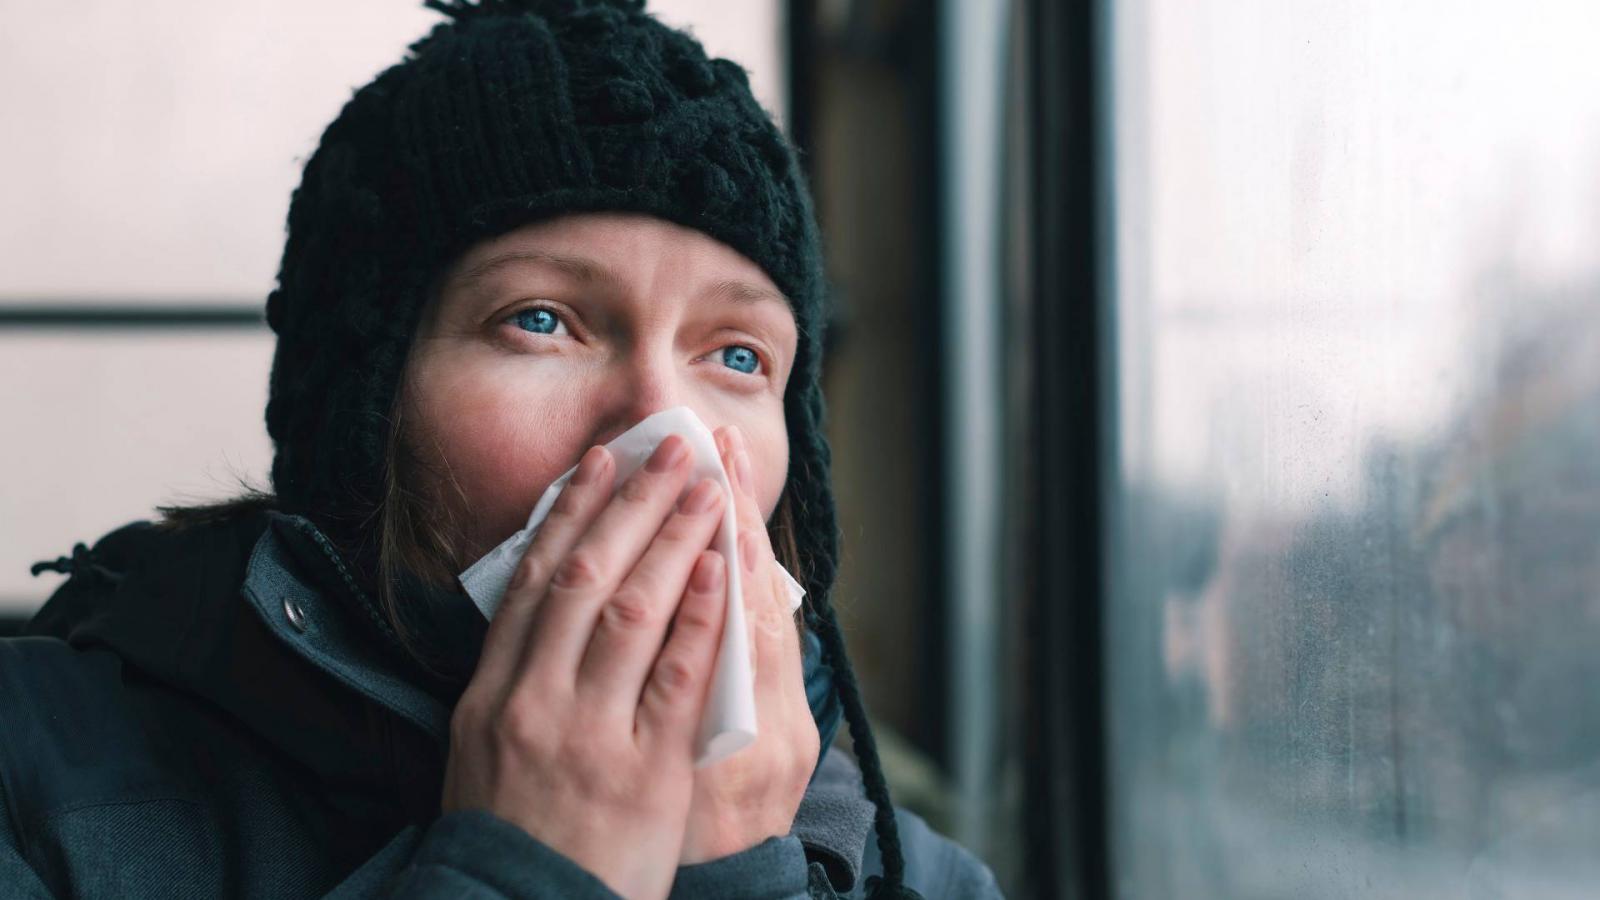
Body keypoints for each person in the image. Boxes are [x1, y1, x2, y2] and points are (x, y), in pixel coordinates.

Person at [0, 1, 1002, 898]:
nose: (663, 425)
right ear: (366, 403)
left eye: (736, 355)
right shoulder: (40, 788)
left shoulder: (915, 874)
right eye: (541, 321)